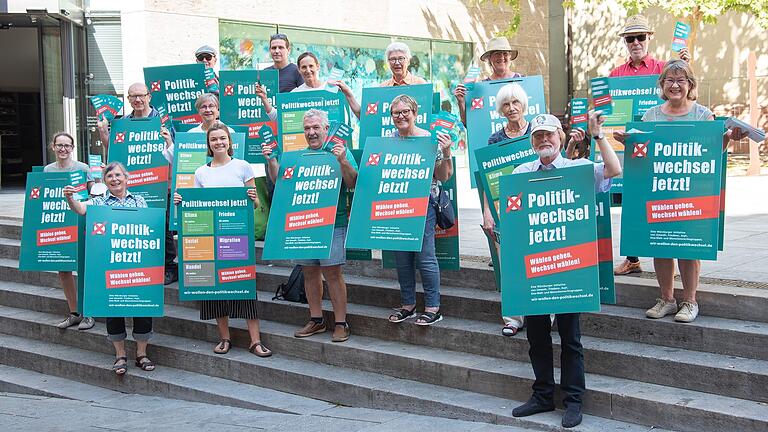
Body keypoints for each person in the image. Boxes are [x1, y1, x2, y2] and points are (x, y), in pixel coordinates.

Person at [510, 111, 622, 428]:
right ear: (531, 141)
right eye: (538, 136)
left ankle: (574, 401)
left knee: (570, 338)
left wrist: (598, 135)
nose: (544, 140)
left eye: (550, 135)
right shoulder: (522, 171)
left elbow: (614, 169)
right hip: (535, 268)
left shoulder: (578, 169)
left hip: (570, 266)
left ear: (561, 137)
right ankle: (543, 395)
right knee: (537, 336)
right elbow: (513, 209)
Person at [637, 60, 747, 323]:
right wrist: (630, 144)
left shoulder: (702, 115)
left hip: (691, 192)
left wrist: (728, 139)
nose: (675, 85)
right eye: (669, 80)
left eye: (681, 80)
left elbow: (710, 152)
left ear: (690, 85)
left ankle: (690, 301)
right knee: (661, 244)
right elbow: (642, 155)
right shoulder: (650, 115)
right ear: (662, 85)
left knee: (688, 247)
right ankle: (666, 299)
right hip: (660, 191)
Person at [173, 121, 272, 357]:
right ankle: (224, 338)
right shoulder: (201, 172)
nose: (219, 142)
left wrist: (252, 198)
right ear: (208, 144)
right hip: (210, 238)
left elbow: (255, 205)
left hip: (237, 237)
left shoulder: (243, 166)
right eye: (214, 139)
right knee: (215, 289)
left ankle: (255, 341)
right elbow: (196, 206)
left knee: (245, 288)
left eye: (222, 138)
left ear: (230, 142)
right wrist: (181, 203)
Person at [262, 110, 358, 342]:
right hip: (304, 223)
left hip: (333, 223)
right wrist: (272, 160)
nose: (311, 132)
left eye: (316, 127)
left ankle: (341, 323)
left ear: (327, 129)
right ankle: (316, 320)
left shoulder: (340, 151)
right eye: (307, 128)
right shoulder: (296, 156)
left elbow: (353, 182)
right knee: (309, 272)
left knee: (333, 273)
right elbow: (279, 182)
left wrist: (343, 160)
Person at [609, 14, 690, 276]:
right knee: (630, 204)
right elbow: (609, 111)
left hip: (664, 151)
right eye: (630, 38)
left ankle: (673, 255)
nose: (635, 42)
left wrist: (685, 66)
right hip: (632, 149)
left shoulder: (663, 68)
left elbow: (685, 95)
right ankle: (632, 259)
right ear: (625, 42)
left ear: (649, 39)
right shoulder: (616, 75)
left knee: (666, 203)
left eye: (640, 37)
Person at [63, 162, 156, 375]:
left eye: (117, 175)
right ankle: (120, 355)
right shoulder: (99, 201)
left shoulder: (140, 200)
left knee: (142, 308)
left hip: (137, 261)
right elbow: (81, 209)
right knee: (114, 309)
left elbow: (150, 228)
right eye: (109, 176)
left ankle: (141, 354)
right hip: (109, 262)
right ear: (104, 181)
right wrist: (70, 198)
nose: (114, 179)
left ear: (126, 177)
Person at [96, 82, 178, 286]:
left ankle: (169, 267)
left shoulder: (163, 120)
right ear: (128, 99)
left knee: (162, 225)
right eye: (133, 96)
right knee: (137, 227)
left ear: (149, 96)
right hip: (132, 186)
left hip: (160, 184)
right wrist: (103, 132)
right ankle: (145, 264)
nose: (138, 100)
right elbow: (114, 149)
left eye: (141, 95)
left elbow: (174, 151)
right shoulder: (122, 122)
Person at [385, 95, 453, 326]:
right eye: (396, 113)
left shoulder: (429, 140)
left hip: (423, 205)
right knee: (402, 259)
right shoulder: (388, 140)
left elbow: (443, 176)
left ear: (415, 114)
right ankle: (408, 305)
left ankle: (433, 307)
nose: (401, 116)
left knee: (425, 257)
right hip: (395, 206)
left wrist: (446, 152)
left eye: (406, 112)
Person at [482, 83, 531, 336]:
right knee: (510, 265)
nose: (511, 108)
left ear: (524, 105)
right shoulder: (495, 139)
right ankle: (513, 317)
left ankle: (544, 313)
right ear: (500, 110)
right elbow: (488, 181)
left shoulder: (537, 131)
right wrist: (487, 212)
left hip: (536, 209)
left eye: (515, 103)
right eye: (506, 104)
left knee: (538, 260)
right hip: (506, 210)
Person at [44, 132, 96, 331]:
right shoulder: (48, 170)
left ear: (72, 148)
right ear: (53, 147)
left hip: (81, 221)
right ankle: (74, 312)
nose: (63, 149)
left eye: (67, 145)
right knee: (63, 268)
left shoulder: (82, 168)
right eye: (59, 145)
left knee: (84, 267)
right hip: (58, 224)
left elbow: (94, 192)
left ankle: (88, 313)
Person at [257, 51, 362, 120]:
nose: (308, 70)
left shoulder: (331, 88)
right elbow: (277, 117)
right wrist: (264, 98)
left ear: (318, 67)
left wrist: (348, 94)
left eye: (311, 66)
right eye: (303, 67)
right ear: (299, 70)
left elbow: (344, 118)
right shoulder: (295, 94)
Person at [453, 36, 525, 125]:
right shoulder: (482, 88)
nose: (502, 57)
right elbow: (470, 124)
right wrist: (461, 101)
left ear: (510, 57)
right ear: (489, 59)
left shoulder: (523, 81)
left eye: (505, 53)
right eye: (497, 54)